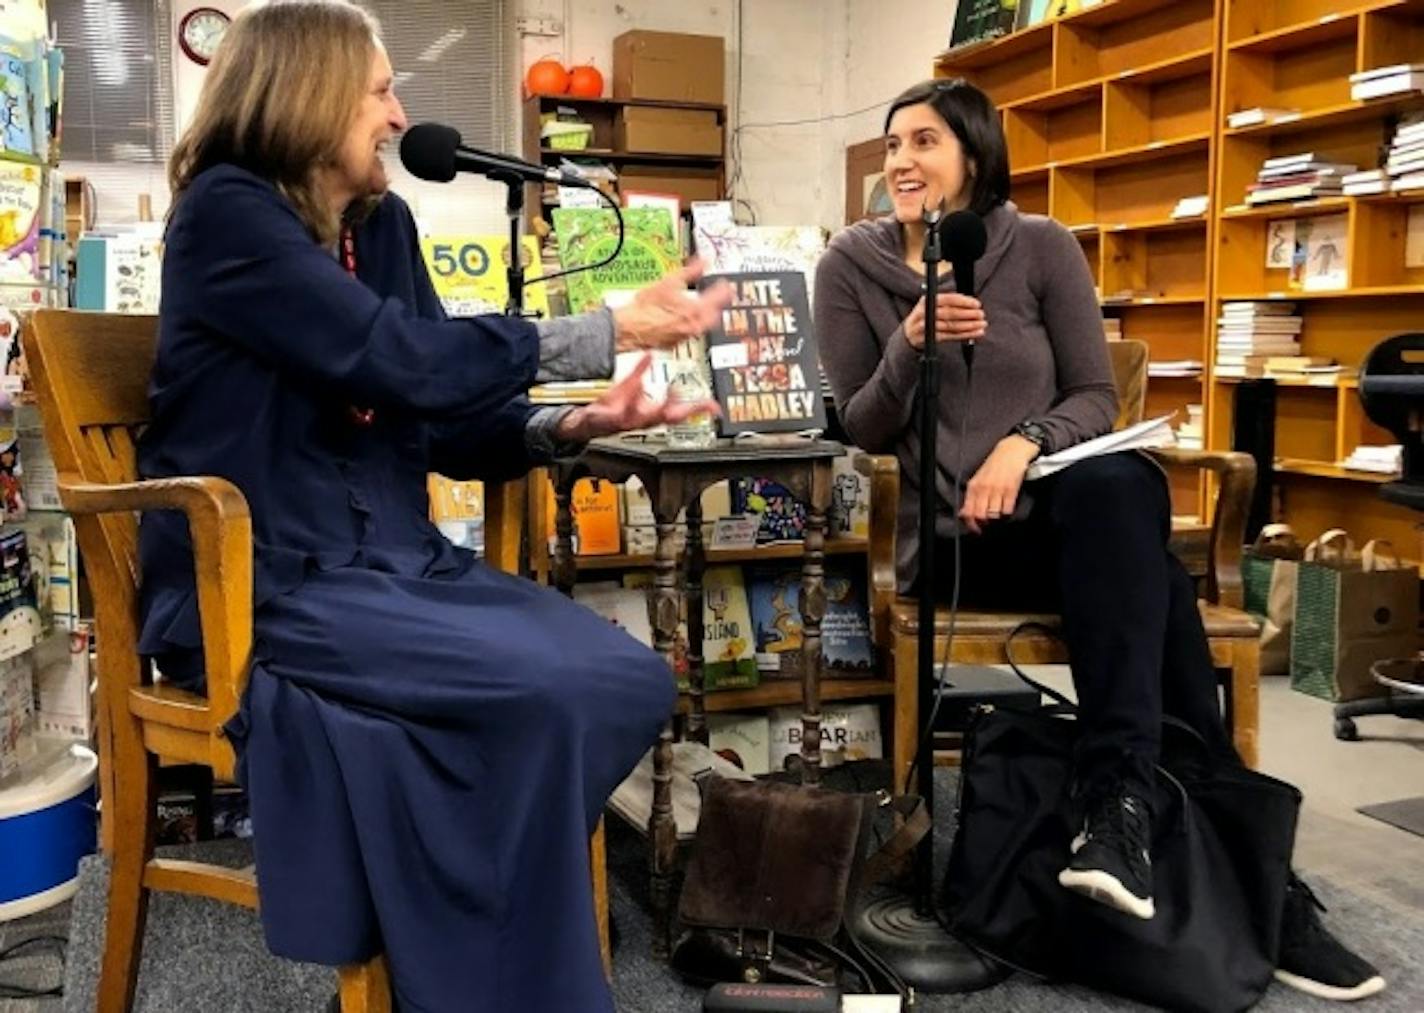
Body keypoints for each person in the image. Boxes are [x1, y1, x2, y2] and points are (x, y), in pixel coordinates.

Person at [137, 3, 730, 1010]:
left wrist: (567, 426)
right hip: (267, 583)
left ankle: (441, 955)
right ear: (308, 93)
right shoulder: (226, 215)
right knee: (539, 697)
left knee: (625, 678)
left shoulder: (384, 227)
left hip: (396, 570)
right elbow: (392, 354)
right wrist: (601, 327)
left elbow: (435, 419)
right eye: (378, 89)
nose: (397, 112)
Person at [814, 78, 1385, 1003]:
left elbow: (1092, 395)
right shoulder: (852, 263)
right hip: (957, 542)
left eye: (924, 142)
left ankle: (1115, 801)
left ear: (974, 155)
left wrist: (1022, 440)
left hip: (1058, 511)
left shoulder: (1038, 246)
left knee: (1123, 489)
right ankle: (1260, 883)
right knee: (1151, 575)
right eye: (891, 147)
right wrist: (910, 343)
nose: (902, 163)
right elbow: (863, 430)